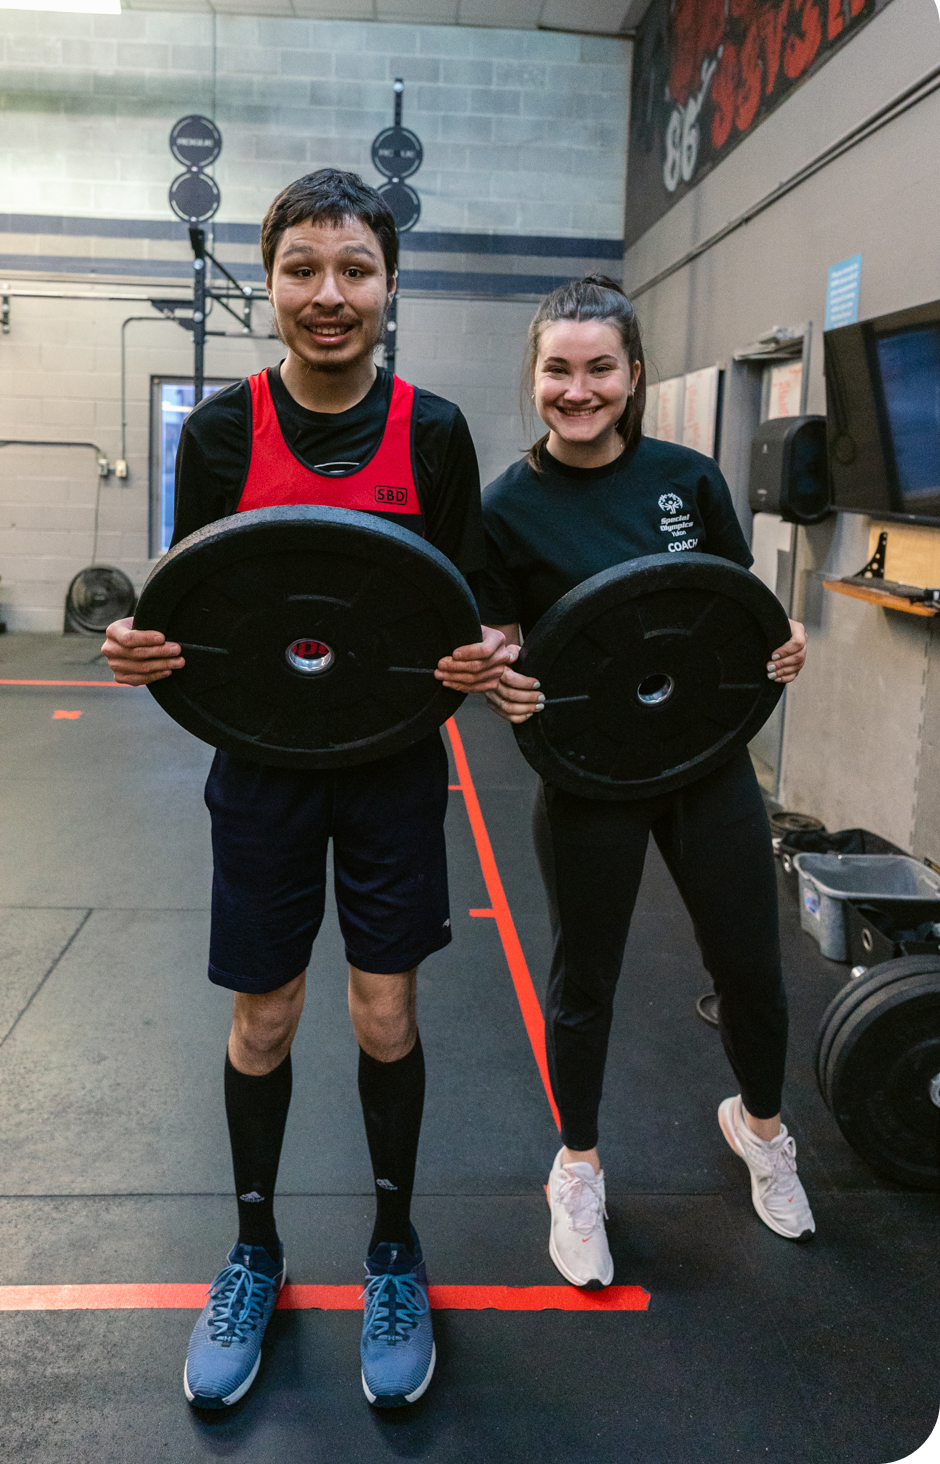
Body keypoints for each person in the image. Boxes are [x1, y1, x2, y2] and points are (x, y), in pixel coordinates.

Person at [102, 169, 510, 1409]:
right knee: (266, 1020)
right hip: (265, 774)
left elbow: (471, 615)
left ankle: (393, 1246)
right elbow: (190, 609)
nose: (328, 296)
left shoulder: (432, 430)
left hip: (390, 770)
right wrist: (139, 644)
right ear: (267, 282)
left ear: (388, 286)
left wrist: (480, 656)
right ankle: (255, 1249)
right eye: (301, 269)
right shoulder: (220, 435)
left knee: (384, 1016)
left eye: (354, 270)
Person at [479, 276, 815, 1291]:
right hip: (587, 772)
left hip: (701, 763)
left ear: (631, 377)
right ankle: (575, 1167)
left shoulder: (688, 479)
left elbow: (733, 606)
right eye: (557, 370)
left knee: (751, 967)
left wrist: (782, 641)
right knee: (585, 981)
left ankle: (761, 1131)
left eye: (598, 370)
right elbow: (498, 635)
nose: (575, 391)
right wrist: (495, 667)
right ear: (534, 375)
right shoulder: (508, 507)